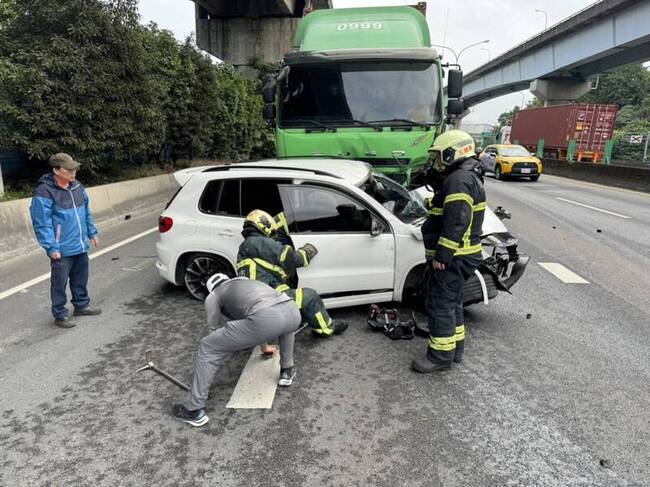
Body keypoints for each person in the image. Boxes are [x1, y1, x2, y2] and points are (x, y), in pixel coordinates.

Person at [173, 273, 301, 427]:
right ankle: (287, 370)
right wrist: (264, 347)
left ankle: (193, 409)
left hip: (265, 319)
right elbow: (261, 316)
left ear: (211, 288)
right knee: (284, 325)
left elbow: (214, 331)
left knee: (208, 346)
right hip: (292, 311)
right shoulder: (248, 282)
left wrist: (224, 345)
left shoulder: (214, 295)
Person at [412, 130, 486, 373]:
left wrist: (442, 256)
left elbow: (457, 221)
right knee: (452, 302)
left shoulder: (458, 180)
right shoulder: (466, 177)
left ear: (453, 152)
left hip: (454, 257)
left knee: (440, 304)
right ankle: (455, 350)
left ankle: (439, 357)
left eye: (439, 156)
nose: (435, 161)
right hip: (464, 255)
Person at [237, 209, 348, 337]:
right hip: (269, 300)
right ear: (263, 225)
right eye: (271, 231)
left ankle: (297, 317)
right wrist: (308, 250)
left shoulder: (245, 246)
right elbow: (294, 259)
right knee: (310, 296)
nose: (272, 235)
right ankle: (326, 329)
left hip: (255, 301)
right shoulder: (260, 242)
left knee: (289, 286)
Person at [29, 153, 102, 328]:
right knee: (59, 283)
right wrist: (51, 247)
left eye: (74, 168)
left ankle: (81, 305)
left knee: (80, 278)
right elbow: (42, 223)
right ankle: (60, 314)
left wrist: (92, 232)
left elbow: (86, 212)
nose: (73, 172)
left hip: (80, 244)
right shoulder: (44, 191)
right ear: (56, 170)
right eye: (68, 169)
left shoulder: (77, 186)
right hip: (61, 248)